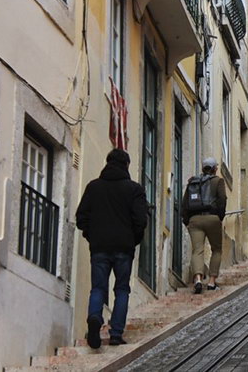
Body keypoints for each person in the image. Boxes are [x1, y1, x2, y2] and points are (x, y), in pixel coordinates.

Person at [76, 149, 148, 348]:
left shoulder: (93, 187)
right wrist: (133, 239)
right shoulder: (135, 189)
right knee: (122, 289)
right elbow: (140, 220)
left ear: (107, 163)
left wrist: (92, 236)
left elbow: (81, 218)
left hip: (99, 247)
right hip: (124, 248)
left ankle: (94, 317)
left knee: (98, 288)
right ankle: (116, 333)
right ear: (126, 165)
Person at [182, 157, 227, 294]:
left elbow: (185, 203)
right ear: (215, 169)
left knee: (197, 250)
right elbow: (222, 199)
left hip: (195, 219)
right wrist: (219, 216)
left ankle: (198, 279)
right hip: (212, 218)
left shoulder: (193, 182)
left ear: (203, 168)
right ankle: (212, 282)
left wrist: (187, 220)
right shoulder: (218, 181)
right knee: (217, 249)